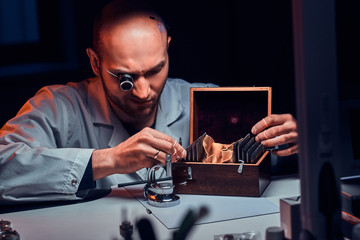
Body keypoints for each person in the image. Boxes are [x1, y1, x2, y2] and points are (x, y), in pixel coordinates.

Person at [0, 0, 298, 203]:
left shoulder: (205, 101)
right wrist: (107, 161)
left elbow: (264, 165)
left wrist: (292, 145)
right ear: (94, 61)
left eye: (155, 70)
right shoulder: (58, 106)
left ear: (168, 49)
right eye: (125, 77)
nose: (143, 92)